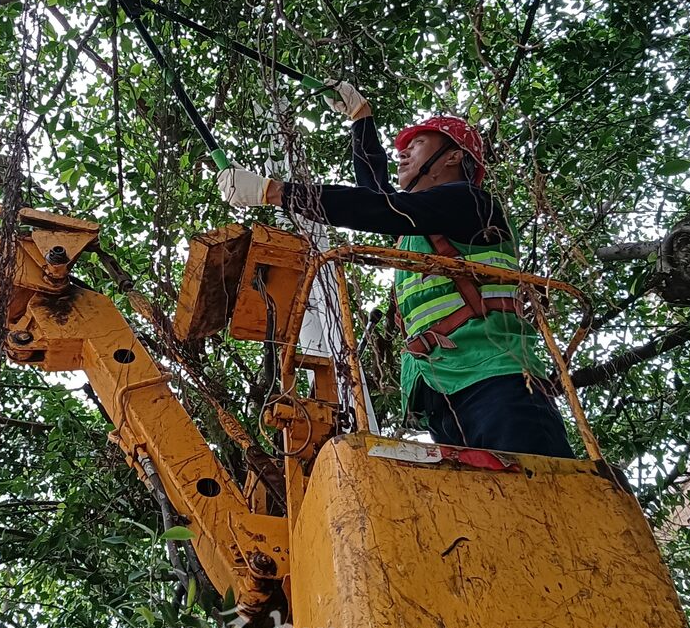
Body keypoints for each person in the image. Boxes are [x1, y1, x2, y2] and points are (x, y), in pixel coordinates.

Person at [214, 82, 574, 459]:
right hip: (445, 395)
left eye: (417, 145)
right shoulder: (422, 230)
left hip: (498, 382)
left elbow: (381, 208)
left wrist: (276, 192)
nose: (402, 154)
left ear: (453, 157)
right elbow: (378, 194)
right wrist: (361, 119)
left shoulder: (471, 202)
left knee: (541, 487)